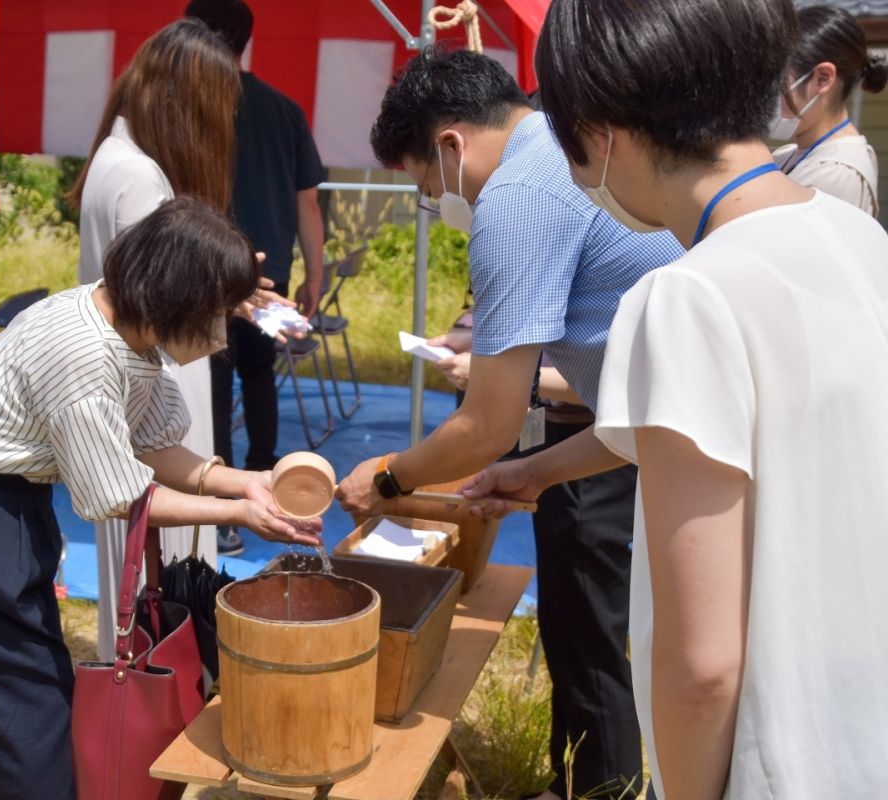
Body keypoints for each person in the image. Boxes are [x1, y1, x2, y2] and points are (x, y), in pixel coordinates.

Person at [532, 0, 888, 796]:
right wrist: (537, 473)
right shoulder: (858, 236)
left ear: (597, 131)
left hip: (780, 765)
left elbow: (703, 666)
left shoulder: (686, 297)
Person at [0, 197, 322, 800]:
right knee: (1, 707)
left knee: (13, 694)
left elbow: (155, 450)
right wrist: (240, 513)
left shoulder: (128, 328)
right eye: (217, 313)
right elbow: (124, 497)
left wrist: (242, 481)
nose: (220, 336)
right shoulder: (81, 352)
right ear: (178, 295)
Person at [334, 47, 683, 800]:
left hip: (674, 436)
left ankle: (605, 789)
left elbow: (488, 421)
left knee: (618, 640)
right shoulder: (563, 145)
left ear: (451, 144)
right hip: (641, 424)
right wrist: (531, 472)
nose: (439, 203)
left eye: (429, 187)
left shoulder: (520, 193)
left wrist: (389, 478)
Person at [69, 18, 237, 656]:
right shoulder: (140, 176)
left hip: (139, 379)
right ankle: (154, 680)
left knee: (146, 554)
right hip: (153, 384)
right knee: (165, 556)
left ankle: (143, 668)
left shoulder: (118, 157)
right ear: (190, 102)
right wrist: (228, 294)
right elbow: (168, 311)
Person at [185, 0, 327, 557]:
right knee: (260, 377)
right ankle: (272, 486)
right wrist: (315, 273)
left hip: (206, 272)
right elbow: (307, 204)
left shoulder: (193, 108)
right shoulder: (284, 109)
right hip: (270, 273)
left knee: (214, 386)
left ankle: (223, 515)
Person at [771, 5, 886, 216]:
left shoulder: (837, 172)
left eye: (779, 82)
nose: (769, 96)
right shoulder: (788, 154)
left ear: (822, 79)